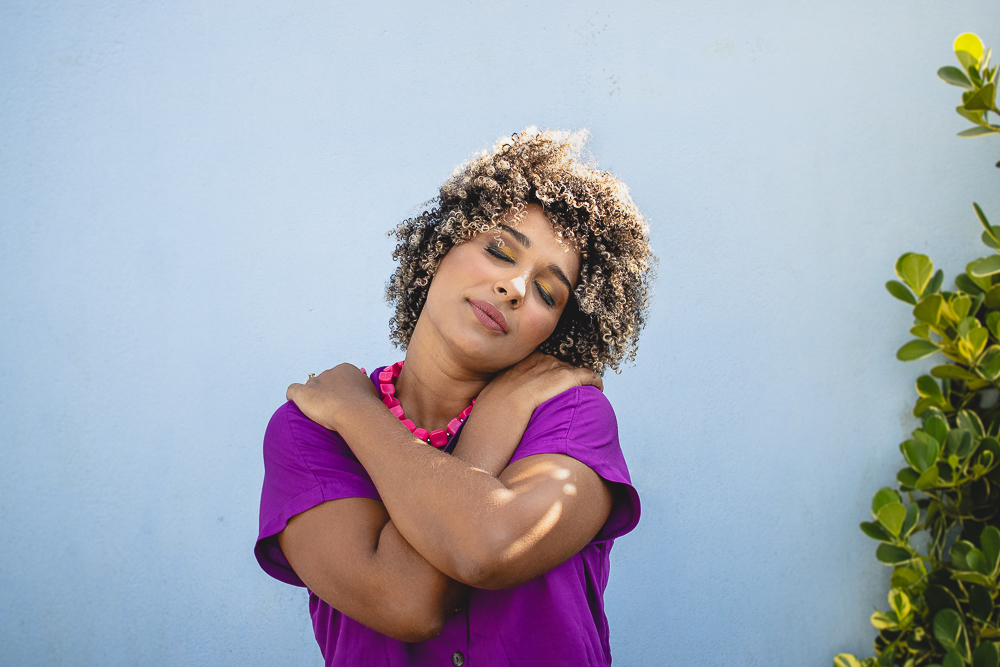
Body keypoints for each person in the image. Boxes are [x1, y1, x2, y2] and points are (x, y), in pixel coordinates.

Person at [254, 127, 655, 666]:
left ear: (557, 331)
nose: (514, 287)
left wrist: (359, 412)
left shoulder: (570, 416)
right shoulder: (309, 431)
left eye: (546, 291)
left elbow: (489, 547)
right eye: (498, 250)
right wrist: (352, 416)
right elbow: (404, 601)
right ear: (442, 244)